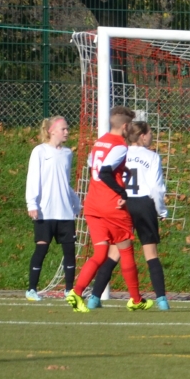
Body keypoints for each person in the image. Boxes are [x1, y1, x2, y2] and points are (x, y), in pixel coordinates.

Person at [69, 105, 143, 312]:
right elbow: (105, 172)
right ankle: (136, 299)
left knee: (100, 252)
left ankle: (76, 292)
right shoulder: (120, 145)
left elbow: (94, 166)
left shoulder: (99, 142)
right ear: (125, 126)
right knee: (126, 250)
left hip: (93, 204)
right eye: (130, 126)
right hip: (112, 206)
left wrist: (121, 170)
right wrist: (122, 192)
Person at [24, 115, 78, 303]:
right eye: (63, 129)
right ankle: (32, 289)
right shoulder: (39, 151)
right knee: (41, 249)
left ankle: (69, 290)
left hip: (65, 212)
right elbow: (33, 178)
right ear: (51, 131)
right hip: (45, 211)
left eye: (67, 128)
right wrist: (32, 203)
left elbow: (65, 182)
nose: (67, 132)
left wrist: (76, 202)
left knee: (69, 252)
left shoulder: (67, 153)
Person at [121, 120, 171, 310]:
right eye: (150, 132)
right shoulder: (152, 156)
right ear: (142, 136)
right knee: (151, 253)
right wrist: (162, 210)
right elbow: (156, 188)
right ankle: (162, 300)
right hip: (143, 204)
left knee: (116, 252)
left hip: (123, 203)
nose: (152, 136)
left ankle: (94, 296)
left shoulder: (120, 153)